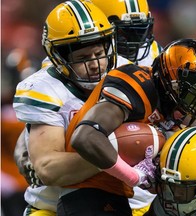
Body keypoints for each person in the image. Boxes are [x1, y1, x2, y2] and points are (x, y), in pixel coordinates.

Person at [55, 37, 196, 216]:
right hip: (86, 192)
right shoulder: (138, 85)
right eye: (191, 98)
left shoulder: (164, 104)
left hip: (114, 195)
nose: (192, 109)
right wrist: (135, 176)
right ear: (171, 81)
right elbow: (86, 137)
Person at [13, 0, 132, 215]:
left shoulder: (127, 72)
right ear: (59, 58)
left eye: (99, 54)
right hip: (53, 207)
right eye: (83, 58)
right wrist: (113, 154)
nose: (95, 64)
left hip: (125, 204)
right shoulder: (45, 89)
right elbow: (49, 169)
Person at [90, 0, 162, 214]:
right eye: (125, 33)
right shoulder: (83, 60)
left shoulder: (155, 54)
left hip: (145, 185)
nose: (136, 41)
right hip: (92, 184)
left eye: (140, 31)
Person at [91, 0, 163, 65]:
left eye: (139, 29)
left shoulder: (156, 54)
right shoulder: (92, 60)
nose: (134, 40)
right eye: (124, 31)